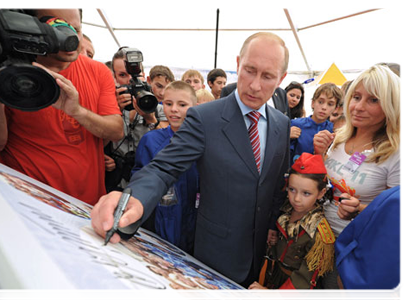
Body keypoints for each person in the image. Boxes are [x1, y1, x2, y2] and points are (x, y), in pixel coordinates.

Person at [91, 31, 291, 287]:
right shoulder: (205, 118)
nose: (254, 85)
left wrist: (274, 223)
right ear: (238, 63)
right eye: (250, 70)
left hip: (258, 256)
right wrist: (134, 199)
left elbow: (275, 183)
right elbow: (164, 167)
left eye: (267, 76)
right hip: (214, 259)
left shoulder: (281, 124)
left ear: (282, 78)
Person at [0, 8, 123, 205]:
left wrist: (77, 112)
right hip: (24, 202)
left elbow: (116, 130)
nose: (71, 39)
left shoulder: (99, 71)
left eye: (75, 30)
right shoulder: (11, 70)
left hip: (85, 205)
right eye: (58, 28)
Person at [312, 64, 404, 299]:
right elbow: (327, 183)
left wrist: (360, 210)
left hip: (352, 252)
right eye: (356, 96)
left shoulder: (397, 153)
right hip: (316, 240)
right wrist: (320, 155)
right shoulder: (340, 136)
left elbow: (396, 221)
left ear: (391, 106)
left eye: (373, 100)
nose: (359, 107)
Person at [249, 153, 335, 300]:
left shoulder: (320, 233)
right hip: (272, 280)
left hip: (295, 293)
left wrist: (275, 295)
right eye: (292, 189)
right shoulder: (284, 211)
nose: (296, 199)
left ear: (321, 193)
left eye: (306, 193)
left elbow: (306, 278)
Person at [131, 81, 199, 254]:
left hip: (195, 222)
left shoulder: (202, 143)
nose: (174, 109)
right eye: (168, 104)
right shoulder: (151, 140)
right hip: (160, 219)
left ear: (195, 107)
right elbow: (140, 178)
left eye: (182, 105)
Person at [104, 48, 169, 192]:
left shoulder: (158, 109)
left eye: (135, 75)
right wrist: (116, 112)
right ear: (114, 78)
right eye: (122, 75)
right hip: (116, 184)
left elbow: (168, 143)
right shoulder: (107, 108)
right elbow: (99, 144)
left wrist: (150, 118)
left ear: (144, 77)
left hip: (148, 184)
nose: (130, 80)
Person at [290, 83, 342, 164]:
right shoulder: (295, 124)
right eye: (320, 102)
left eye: (330, 104)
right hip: (295, 173)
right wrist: (286, 137)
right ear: (313, 103)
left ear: (336, 108)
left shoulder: (334, 131)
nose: (324, 107)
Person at [222, 82, 290, 118]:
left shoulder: (281, 93)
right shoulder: (230, 90)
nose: (255, 87)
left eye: (267, 76)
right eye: (250, 71)